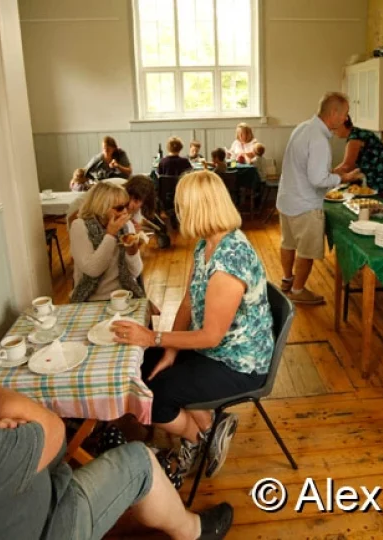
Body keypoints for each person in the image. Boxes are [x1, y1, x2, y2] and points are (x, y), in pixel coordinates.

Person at [112, 170, 274, 481]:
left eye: (181, 204)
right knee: (144, 368)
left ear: (196, 208)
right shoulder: (207, 244)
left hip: (240, 364)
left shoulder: (231, 258)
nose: (177, 211)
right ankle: (210, 424)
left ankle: (199, 439)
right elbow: (188, 301)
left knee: (154, 395)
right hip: (218, 350)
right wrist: (168, 349)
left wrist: (152, 336)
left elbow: (211, 336)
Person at [0, 384, 234, 540]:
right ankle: (192, 531)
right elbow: (52, 434)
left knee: (159, 379)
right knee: (141, 454)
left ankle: (204, 431)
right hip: (51, 524)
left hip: (30, 501)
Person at [276, 92, 361, 305]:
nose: (345, 119)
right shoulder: (319, 139)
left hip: (287, 198)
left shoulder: (302, 128)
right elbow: (317, 179)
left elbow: (305, 168)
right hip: (305, 204)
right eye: (344, 114)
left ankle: (287, 280)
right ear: (333, 113)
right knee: (306, 251)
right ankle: (297, 292)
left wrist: (332, 174)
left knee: (288, 243)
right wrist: (342, 177)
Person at [69, 182, 145, 302]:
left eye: (126, 206)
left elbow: (135, 271)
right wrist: (110, 234)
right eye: (119, 208)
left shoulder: (127, 225)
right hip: (91, 299)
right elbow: (93, 270)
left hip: (124, 294)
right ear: (101, 208)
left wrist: (133, 252)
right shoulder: (80, 227)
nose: (125, 211)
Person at [333, 115, 383, 203]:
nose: (333, 132)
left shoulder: (355, 138)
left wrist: (328, 175)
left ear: (342, 125)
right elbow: (354, 166)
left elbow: (347, 166)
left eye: (334, 128)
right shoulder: (357, 133)